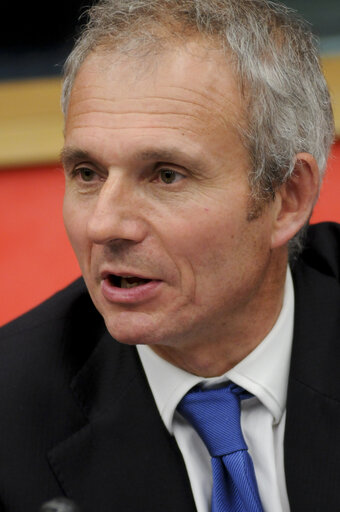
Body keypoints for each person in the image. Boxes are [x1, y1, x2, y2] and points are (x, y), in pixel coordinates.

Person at [0, 0, 339, 510]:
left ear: (287, 198)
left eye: (166, 175)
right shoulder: (12, 407)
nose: (105, 225)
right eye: (87, 173)